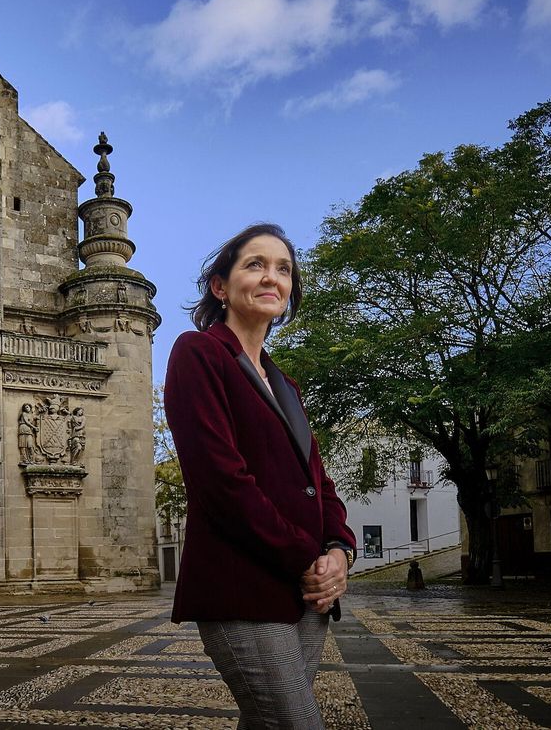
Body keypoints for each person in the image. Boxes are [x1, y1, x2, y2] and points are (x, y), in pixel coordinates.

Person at [165, 223, 356, 729]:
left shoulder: (285, 383)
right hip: (242, 589)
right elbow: (220, 481)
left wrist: (339, 550)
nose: (272, 277)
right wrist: (305, 558)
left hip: (307, 593)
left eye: (284, 269)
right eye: (256, 264)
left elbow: (320, 481)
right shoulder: (198, 353)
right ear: (220, 286)